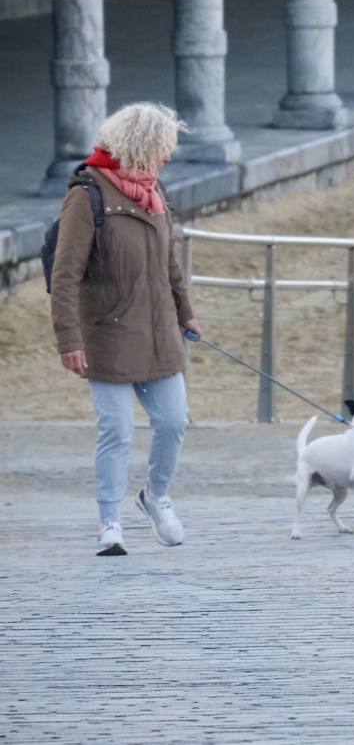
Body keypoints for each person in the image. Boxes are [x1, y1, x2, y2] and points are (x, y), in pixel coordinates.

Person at [49, 102, 202, 556]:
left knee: (173, 422)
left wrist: (185, 313)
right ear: (140, 145)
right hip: (108, 333)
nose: (168, 156)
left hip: (159, 331)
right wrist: (69, 339)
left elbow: (169, 264)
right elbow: (65, 274)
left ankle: (156, 496)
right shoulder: (88, 195)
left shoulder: (155, 192)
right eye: (162, 147)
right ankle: (109, 523)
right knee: (117, 430)